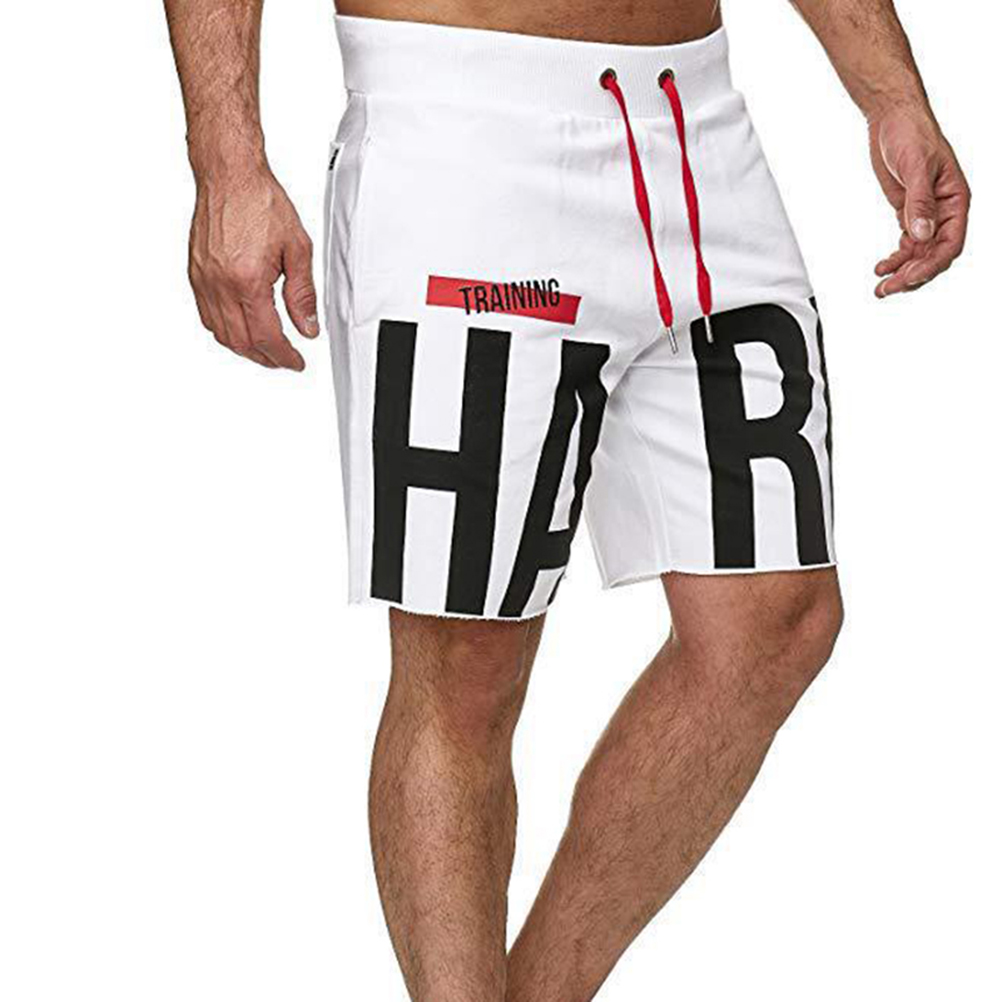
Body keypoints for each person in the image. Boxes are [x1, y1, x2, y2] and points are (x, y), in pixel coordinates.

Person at [164, 0, 970, 998]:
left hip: (695, 127)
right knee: (467, 659)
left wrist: (889, 90)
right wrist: (227, 162)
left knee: (777, 617)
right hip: (465, 127)